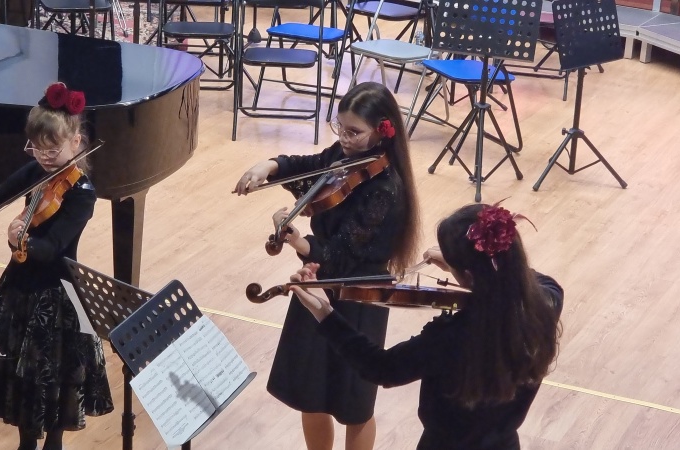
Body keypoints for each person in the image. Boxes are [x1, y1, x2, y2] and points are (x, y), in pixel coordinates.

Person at [234, 81, 421, 450]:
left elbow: (342, 254)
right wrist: (268, 165)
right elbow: (310, 167)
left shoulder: (385, 189)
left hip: (358, 295)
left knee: (355, 404)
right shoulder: (343, 155)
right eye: (340, 127)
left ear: (382, 130)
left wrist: (296, 240)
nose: (344, 139)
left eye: (354, 132)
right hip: (319, 284)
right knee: (311, 394)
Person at [289, 202, 564, 450]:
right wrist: (467, 268)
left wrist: (324, 312)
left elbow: (382, 367)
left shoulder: (450, 336)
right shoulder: (547, 304)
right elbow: (524, 276)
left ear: (467, 275)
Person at [0, 82, 113, 450]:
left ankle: (53, 443)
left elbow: (52, 248)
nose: (44, 157)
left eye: (53, 149)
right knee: (21, 377)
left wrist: (21, 240)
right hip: (20, 287)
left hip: (56, 294)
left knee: (52, 380)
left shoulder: (81, 193)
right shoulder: (35, 172)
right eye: (37, 148)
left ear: (76, 142)